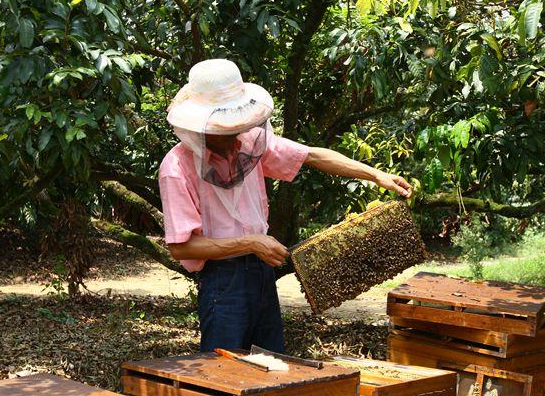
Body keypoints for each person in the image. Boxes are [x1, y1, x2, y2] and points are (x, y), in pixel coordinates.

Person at [159, 59, 412, 353]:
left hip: (262, 272)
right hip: (222, 282)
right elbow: (182, 247)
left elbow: (312, 156)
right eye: (223, 128)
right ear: (199, 125)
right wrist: (250, 243)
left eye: (236, 126)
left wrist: (376, 175)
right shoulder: (176, 168)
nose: (234, 135)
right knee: (222, 372)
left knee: (271, 365)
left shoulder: (250, 143)